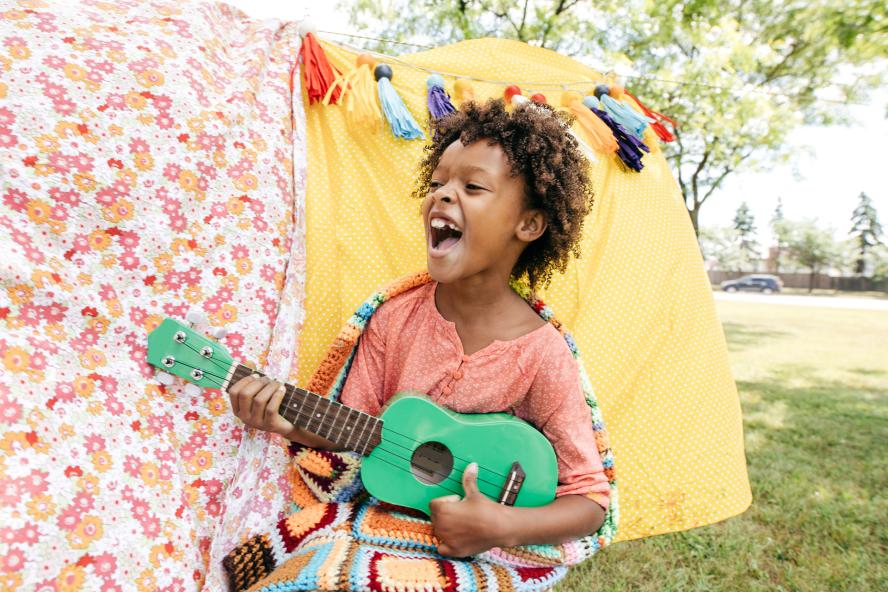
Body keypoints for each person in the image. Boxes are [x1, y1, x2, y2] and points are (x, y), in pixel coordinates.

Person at [228, 98, 610, 558]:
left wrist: (502, 524)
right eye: (437, 182)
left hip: (488, 545)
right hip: (383, 518)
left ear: (528, 224)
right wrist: (280, 417)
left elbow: (589, 501)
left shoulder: (541, 352)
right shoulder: (394, 317)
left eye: (472, 186)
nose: (442, 195)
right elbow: (353, 427)